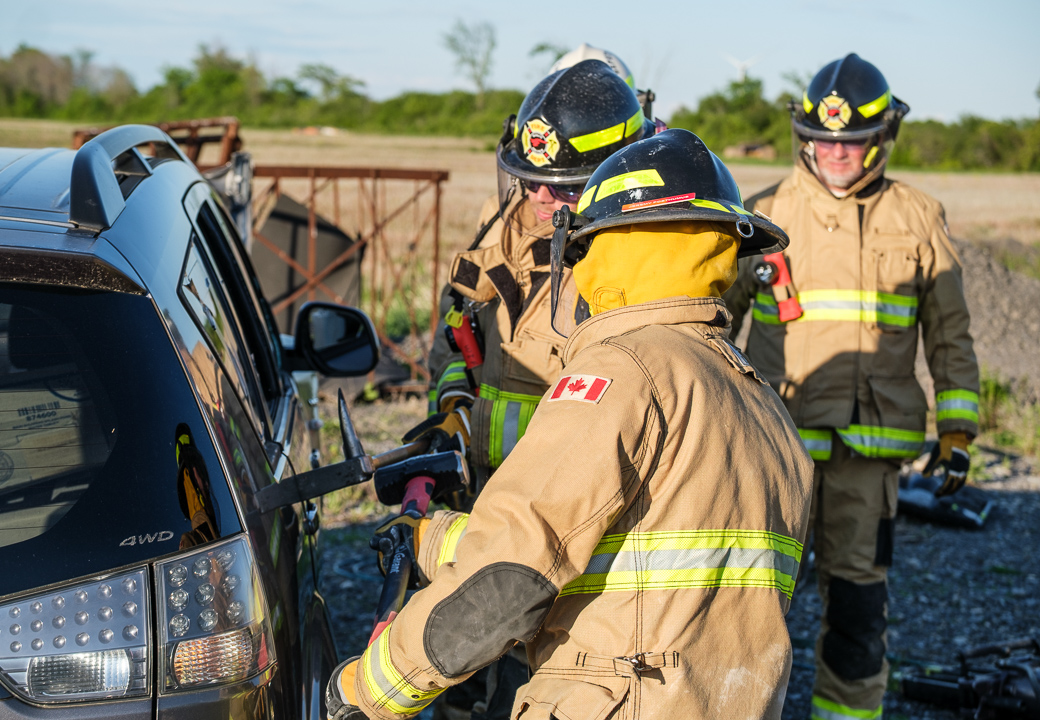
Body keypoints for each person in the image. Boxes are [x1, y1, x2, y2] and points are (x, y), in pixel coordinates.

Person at [326, 129, 815, 720]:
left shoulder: (624, 372)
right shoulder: (760, 403)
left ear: (610, 247)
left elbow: (512, 571)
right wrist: (431, 540)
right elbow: (631, 555)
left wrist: (368, 690)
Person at [723, 53, 980, 720]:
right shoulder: (763, 213)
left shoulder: (919, 216)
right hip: (775, 449)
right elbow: (710, 326)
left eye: (852, 141)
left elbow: (949, 332)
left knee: (860, 613)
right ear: (804, 137)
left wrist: (957, 430)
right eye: (823, 140)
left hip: (868, 459)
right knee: (749, 608)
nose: (836, 154)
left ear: (882, 138)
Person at [413, 58, 656, 497]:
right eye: (529, 178)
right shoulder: (500, 222)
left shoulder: (639, 255)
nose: (540, 197)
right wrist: (455, 405)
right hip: (477, 485)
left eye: (564, 185)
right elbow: (452, 328)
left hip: (566, 496)